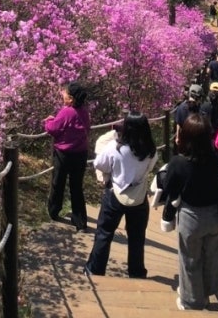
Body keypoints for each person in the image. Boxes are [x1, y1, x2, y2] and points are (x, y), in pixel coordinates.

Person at [162, 113, 218, 311]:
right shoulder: (216, 158)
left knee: (190, 259)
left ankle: (191, 301)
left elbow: (168, 187)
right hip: (216, 216)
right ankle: (205, 295)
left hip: (191, 217)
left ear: (186, 136)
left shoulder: (179, 162)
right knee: (210, 258)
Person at [85, 112, 158, 279]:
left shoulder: (115, 147)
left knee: (104, 233)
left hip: (115, 194)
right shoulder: (151, 150)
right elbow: (150, 168)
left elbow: (99, 164)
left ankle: (95, 270)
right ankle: (137, 272)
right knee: (137, 237)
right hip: (139, 196)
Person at [44, 81, 91, 232]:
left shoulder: (67, 112)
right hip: (81, 154)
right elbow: (87, 128)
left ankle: (53, 211)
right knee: (76, 187)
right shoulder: (84, 111)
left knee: (58, 182)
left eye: (64, 92)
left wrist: (48, 121)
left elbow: (53, 129)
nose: (62, 94)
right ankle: (80, 221)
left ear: (71, 99)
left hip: (63, 154)